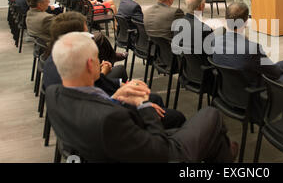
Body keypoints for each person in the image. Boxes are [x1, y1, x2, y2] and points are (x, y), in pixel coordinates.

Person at [46, 32, 238, 163]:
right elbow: (160, 149)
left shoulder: (54, 94)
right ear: (90, 65)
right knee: (211, 115)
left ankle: (222, 152)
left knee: (215, 141)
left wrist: (116, 98)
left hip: (107, 149)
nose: (101, 61)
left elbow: (97, 107)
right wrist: (142, 104)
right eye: (97, 58)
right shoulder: (108, 119)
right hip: (162, 153)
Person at [42, 12, 184, 129]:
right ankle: (159, 137)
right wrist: (142, 107)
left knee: (154, 98)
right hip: (108, 123)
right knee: (176, 116)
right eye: (86, 34)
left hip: (92, 115)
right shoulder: (74, 65)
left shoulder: (55, 58)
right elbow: (100, 105)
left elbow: (94, 90)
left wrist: (122, 87)